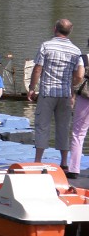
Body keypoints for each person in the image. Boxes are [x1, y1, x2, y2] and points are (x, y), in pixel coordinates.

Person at [27, 19, 84, 171]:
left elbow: (38, 69)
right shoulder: (76, 51)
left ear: (55, 29)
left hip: (47, 92)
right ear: (69, 32)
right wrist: (71, 86)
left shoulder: (46, 46)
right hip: (65, 94)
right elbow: (79, 75)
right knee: (64, 127)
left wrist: (32, 88)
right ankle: (64, 162)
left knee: (42, 126)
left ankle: (38, 161)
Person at [67, 39, 89, 179]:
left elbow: (79, 76)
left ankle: (74, 169)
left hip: (85, 97)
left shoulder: (84, 58)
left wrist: (72, 88)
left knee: (78, 133)